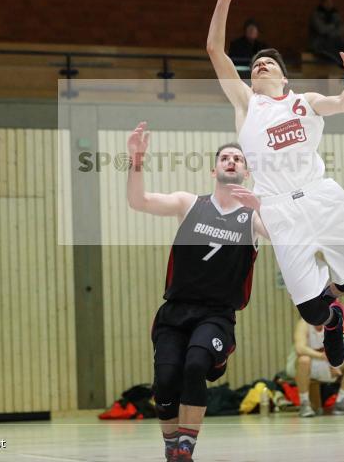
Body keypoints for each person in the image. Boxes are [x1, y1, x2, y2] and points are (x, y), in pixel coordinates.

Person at [207, 0, 344, 375]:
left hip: (320, 194)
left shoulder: (304, 101)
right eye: (256, 64)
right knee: (309, 311)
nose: (261, 66)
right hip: (277, 207)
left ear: (283, 76)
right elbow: (215, 50)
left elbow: (343, 104)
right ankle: (331, 318)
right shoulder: (246, 104)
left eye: (269, 62)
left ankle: (331, 295)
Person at [126, 122, 266, 462]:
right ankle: (172, 446)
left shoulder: (252, 218)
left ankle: (186, 448)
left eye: (238, 159)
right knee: (165, 381)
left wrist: (263, 206)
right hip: (175, 312)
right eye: (225, 158)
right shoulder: (189, 204)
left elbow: (288, 236)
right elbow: (138, 201)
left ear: (246, 173)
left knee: (194, 366)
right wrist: (136, 161)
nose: (231, 161)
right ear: (213, 170)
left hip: (216, 314)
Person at [287, 318, 344, 417]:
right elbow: (300, 349)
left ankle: (341, 401)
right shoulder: (304, 323)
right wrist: (322, 356)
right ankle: (304, 404)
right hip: (305, 364)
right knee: (304, 360)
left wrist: (335, 362)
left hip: (327, 364)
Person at [308, 0, 344, 68]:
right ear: (322, 2)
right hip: (320, 44)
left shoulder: (335, 14)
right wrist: (333, 26)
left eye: (331, 1)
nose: (329, 3)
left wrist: (331, 32)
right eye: (327, 1)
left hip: (334, 41)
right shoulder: (316, 14)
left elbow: (342, 30)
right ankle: (343, 64)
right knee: (333, 51)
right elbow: (321, 29)